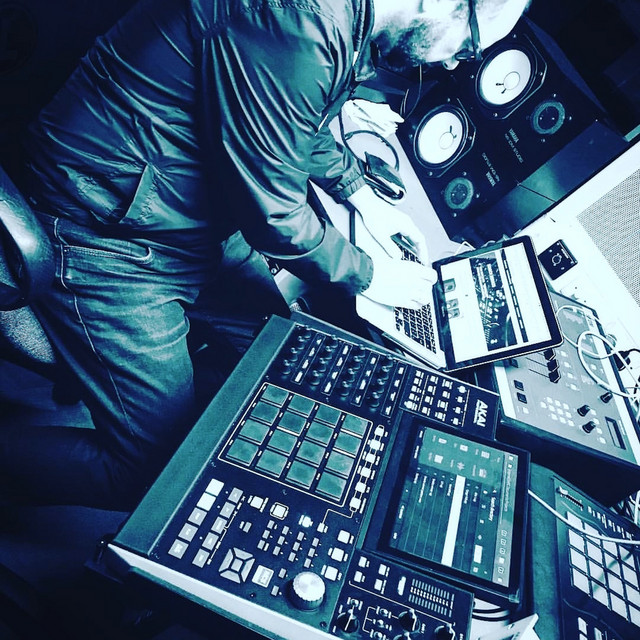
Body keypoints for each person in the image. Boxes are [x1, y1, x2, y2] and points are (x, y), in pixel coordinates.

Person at [0, 0, 530, 509]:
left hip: (181, 219)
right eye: (469, 47)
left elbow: (294, 124)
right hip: (106, 230)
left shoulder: (344, 20)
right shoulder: (301, 19)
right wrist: (370, 276)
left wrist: (362, 196)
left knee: (281, 358)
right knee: (153, 470)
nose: (454, 63)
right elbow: (273, 217)